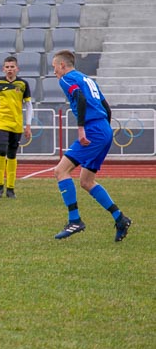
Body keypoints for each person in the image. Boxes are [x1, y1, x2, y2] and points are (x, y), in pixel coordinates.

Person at [51, 50, 132, 241]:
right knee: (86, 181)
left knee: (60, 171)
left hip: (93, 130)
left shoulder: (66, 79)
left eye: (54, 66)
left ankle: (75, 220)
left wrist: (82, 129)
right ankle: (120, 218)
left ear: (62, 65)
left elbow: (79, 98)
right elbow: (106, 106)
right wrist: (106, 130)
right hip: (103, 128)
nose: (54, 71)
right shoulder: (87, 78)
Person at [0, 56, 33, 199]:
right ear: (3, 68)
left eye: (12, 67)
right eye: (7, 67)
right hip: (2, 123)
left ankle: (10, 188)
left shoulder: (23, 84)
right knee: (1, 150)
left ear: (17, 68)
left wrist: (28, 125)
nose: (9, 69)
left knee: (12, 154)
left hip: (17, 124)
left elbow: (28, 105)